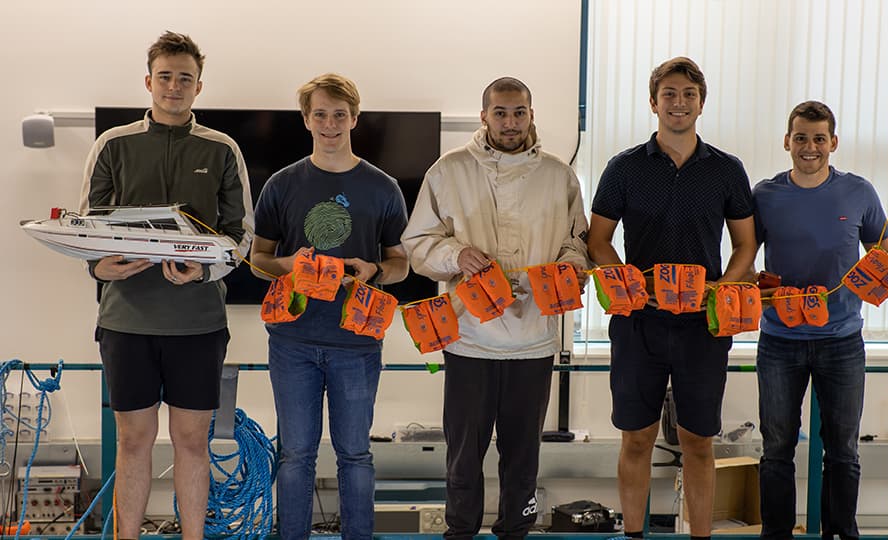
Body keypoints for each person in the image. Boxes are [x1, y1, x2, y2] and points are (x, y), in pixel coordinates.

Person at [79, 31, 253, 540]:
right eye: (165, 77)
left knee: (192, 442)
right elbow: (86, 225)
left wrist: (207, 269)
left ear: (199, 87)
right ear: (148, 81)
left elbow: (242, 232)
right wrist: (97, 267)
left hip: (198, 323)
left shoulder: (221, 149)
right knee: (133, 441)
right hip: (126, 320)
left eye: (185, 79)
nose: (174, 87)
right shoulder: (113, 143)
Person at [401, 77, 589, 539]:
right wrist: (456, 256)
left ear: (532, 114)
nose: (510, 122)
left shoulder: (558, 174)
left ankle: (515, 532)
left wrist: (564, 269)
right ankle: (460, 532)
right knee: (463, 455)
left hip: (535, 341)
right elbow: (417, 243)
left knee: (523, 455)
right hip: (469, 341)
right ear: (483, 115)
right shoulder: (449, 170)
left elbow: (577, 243)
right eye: (500, 112)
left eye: (519, 112)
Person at [586, 57, 757, 539]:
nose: (678, 103)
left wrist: (722, 290)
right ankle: (634, 534)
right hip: (639, 322)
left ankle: (699, 535)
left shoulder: (726, 170)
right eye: (669, 94)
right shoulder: (624, 167)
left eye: (688, 94)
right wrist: (624, 283)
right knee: (637, 438)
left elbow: (745, 245)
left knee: (698, 441)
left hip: (702, 326)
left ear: (701, 103)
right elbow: (598, 240)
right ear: (653, 102)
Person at [752, 101, 888, 540]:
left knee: (843, 451)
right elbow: (742, 260)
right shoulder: (765, 196)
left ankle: (842, 534)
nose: (810, 147)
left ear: (834, 143)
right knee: (776, 450)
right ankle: (776, 535)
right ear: (787, 142)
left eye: (819, 139)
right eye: (801, 138)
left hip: (842, 340)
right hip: (779, 341)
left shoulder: (858, 193)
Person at [250, 73, 409, 540]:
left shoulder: (383, 188)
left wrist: (373, 271)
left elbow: (401, 264)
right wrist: (288, 265)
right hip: (292, 341)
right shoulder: (281, 184)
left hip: (357, 343)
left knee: (355, 454)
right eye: (320, 113)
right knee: (295, 453)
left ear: (354, 118)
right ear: (306, 120)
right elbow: (258, 260)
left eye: (340, 114)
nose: (330, 123)